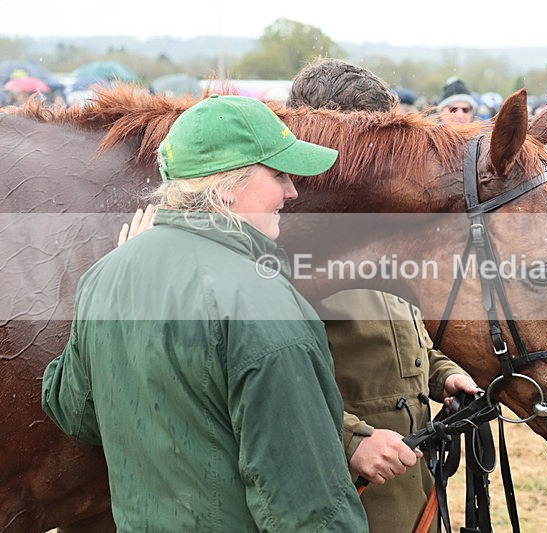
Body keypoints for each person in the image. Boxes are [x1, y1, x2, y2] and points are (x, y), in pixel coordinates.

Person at [42, 95, 369, 532]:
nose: (292, 191)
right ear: (226, 187)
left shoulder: (105, 275)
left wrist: (114, 282)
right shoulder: (263, 302)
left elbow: (76, 414)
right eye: (279, 175)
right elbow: (309, 507)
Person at [289, 58, 480, 533]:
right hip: (339, 491)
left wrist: (446, 375)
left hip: (411, 484)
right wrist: (351, 439)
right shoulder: (286, 250)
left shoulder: (384, 236)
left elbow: (408, 337)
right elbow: (274, 388)